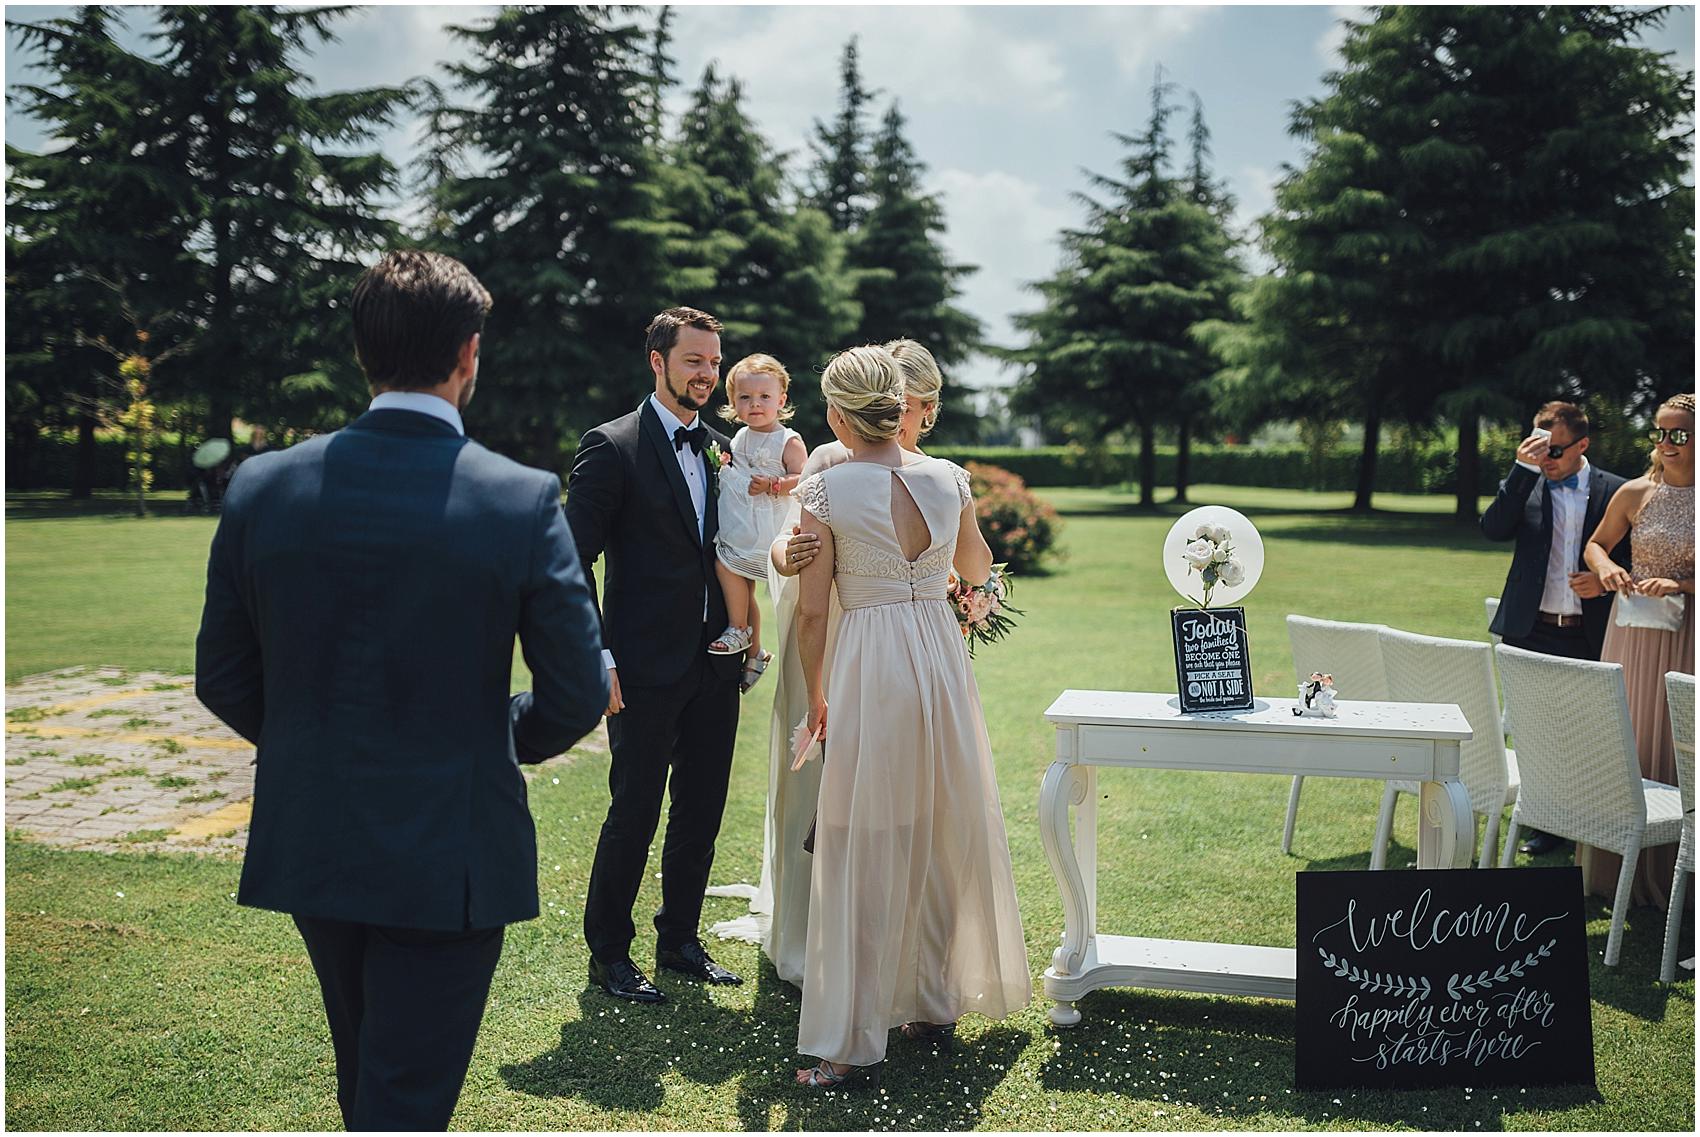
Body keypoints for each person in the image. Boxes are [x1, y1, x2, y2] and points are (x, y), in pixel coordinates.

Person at [194, 249, 608, 1130]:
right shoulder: (520, 498)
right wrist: (493, 734)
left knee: (372, 1078)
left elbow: (222, 673)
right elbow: (574, 694)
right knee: (403, 1099)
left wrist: (318, 740)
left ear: (363, 352)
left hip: (315, 829)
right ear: (469, 353)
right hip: (447, 844)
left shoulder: (263, 484)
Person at [791, 345, 1029, 1089]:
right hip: (940, 662)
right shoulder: (950, 479)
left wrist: (816, 694)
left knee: (861, 840)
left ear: (837, 414)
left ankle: (849, 1042)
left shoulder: (828, 488)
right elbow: (980, 567)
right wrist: (945, 587)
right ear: (902, 406)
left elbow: (811, 611)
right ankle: (933, 1001)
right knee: (938, 825)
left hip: (869, 662)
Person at [715, 340, 947, 987]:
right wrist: (787, 556)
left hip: (898, 648)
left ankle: (897, 932)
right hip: (824, 643)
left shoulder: (937, 475)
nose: (904, 415)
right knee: (818, 788)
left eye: (915, 405)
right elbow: (784, 544)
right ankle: (810, 926)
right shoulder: (823, 462)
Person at [568, 307, 745, 1003]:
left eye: (713, 361)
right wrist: (598, 654)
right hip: (638, 668)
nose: (707, 374)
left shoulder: (727, 447)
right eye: (694, 360)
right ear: (658, 361)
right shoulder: (610, 446)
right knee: (633, 811)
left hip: (715, 665)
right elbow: (570, 558)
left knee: (700, 811)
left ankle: (680, 939)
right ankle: (609, 951)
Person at [1480, 400, 1630, 856]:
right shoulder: (1525, 482)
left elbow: (1632, 558)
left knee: (1586, 729)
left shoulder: (1616, 491)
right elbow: (1492, 529)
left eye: (1556, 450)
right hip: (1531, 629)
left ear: (1583, 445)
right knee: (1535, 729)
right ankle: (1548, 821)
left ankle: (1590, 817)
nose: (1547, 458)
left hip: (1590, 631)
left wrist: (1602, 583)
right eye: (1538, 447)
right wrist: (1522, 470)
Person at [1578, 392, 1696, 909]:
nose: (1666, 443)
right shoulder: (1635, 492)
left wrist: (1681, 584)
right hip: (1632, 633)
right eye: (1660, 432)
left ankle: (1680, 873)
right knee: (1630, 734)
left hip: (1689, 635)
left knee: (1680, 740)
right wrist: (1605, 568)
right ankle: (1618, 863)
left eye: (1679, 434)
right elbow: (1597, 544)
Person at [708, 353, 808, 692]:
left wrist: (774, 484)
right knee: (732, 572)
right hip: (742, 521)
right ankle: (751, 646)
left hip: (771, 525)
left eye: (764, 397)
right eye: (745, 397)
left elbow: (806, 478)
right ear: (732, 402)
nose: (755, 404)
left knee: (730, 569)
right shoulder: (739, 439)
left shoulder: (787, 439)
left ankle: (743, 633)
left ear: (781, 400)